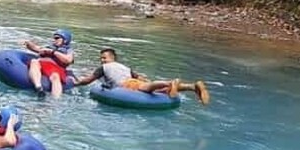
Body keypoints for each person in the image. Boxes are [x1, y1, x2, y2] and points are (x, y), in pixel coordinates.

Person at [75, 48, 210, 104]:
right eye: (102, 59)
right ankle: (193, 87)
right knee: (153, 88)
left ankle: (171, 83)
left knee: (148, 87)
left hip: (126, 85)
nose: (102, 60)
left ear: (112, 58)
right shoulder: (124, 67)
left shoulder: (103, 68)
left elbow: (88, 80)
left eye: (104, 58)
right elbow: (140, 78)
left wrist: (76, 83)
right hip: (132, 81)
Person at [23, 29, 75, 98]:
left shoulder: (68, 51)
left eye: (57, 38)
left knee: (55, 76)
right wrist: (29, 44)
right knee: (34, 61)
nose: (54, 40)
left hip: (55, 68)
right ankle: (39, 87)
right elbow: (36, 48)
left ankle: (55, 100)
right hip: (41, 63)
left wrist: (53, 52)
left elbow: (68, 60)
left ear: (65, 40)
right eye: (54, 38)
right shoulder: (49, 47)